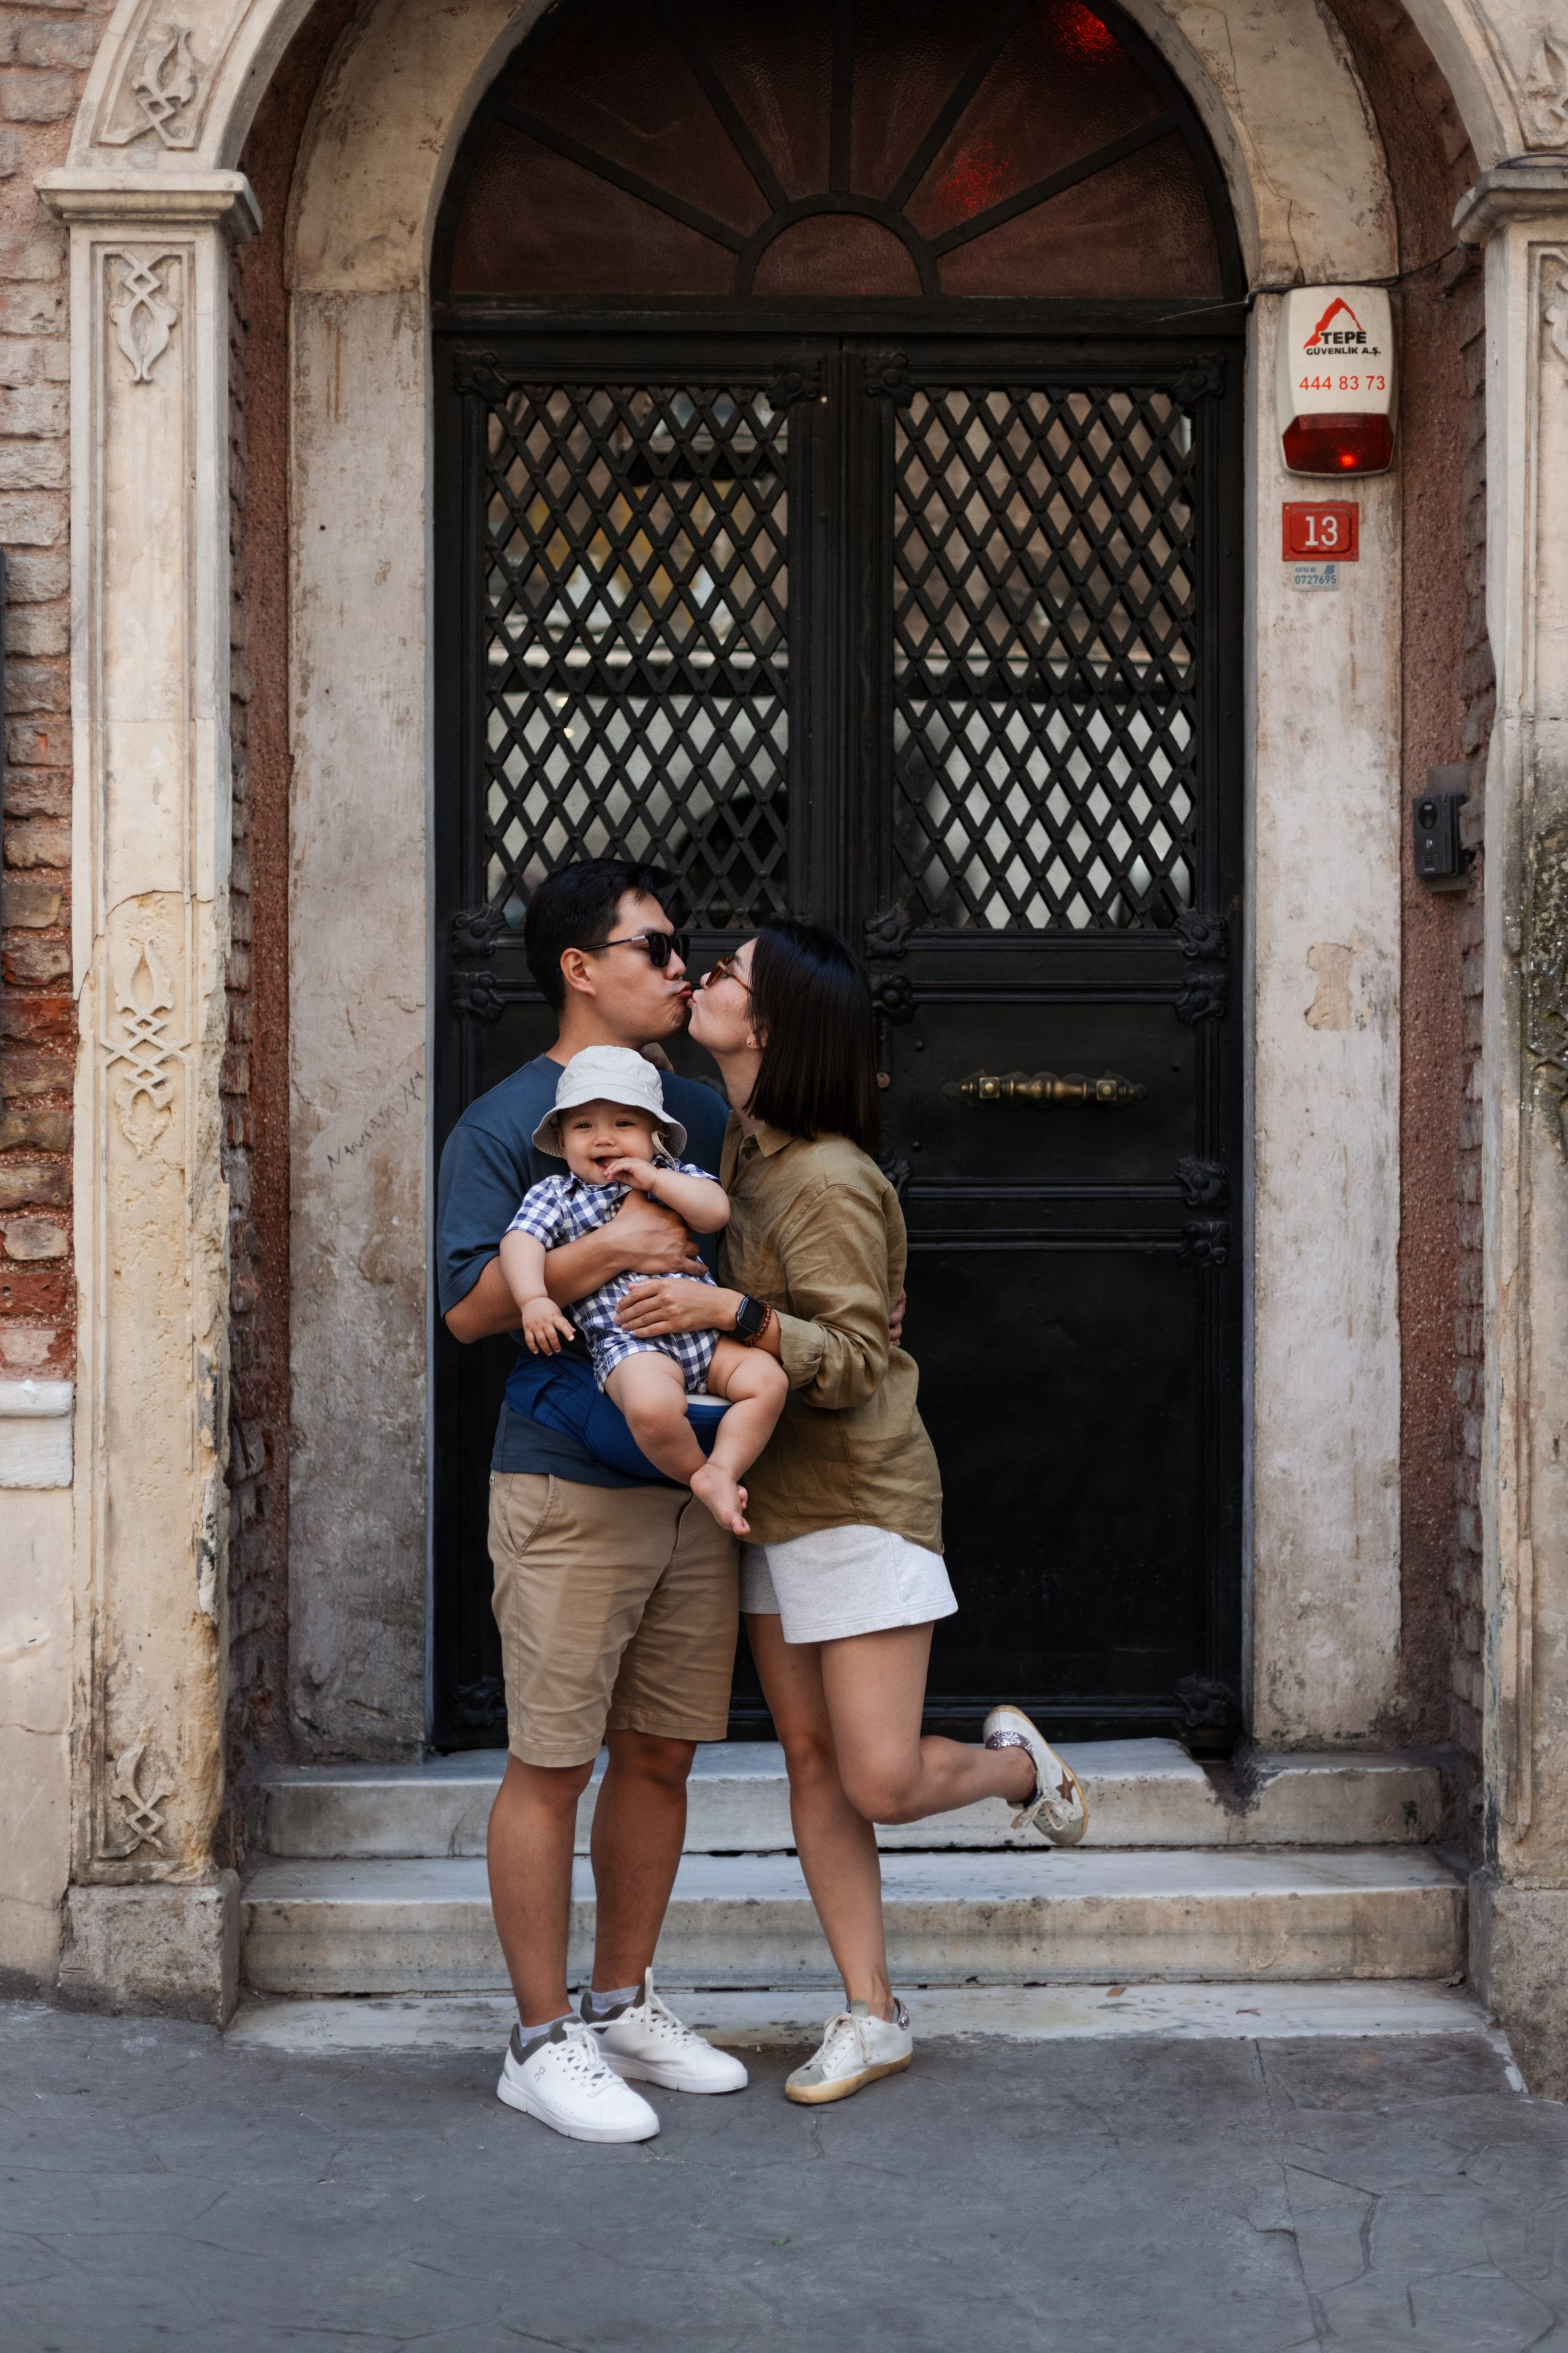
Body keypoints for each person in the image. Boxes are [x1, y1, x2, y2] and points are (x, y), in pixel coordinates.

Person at [613, 917, 1090, 2108]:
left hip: (860, 1506)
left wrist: (727, 1319)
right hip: (776, 1507)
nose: (704, 978)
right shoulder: (736, 1153)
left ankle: (1012, 1771)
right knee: (815, 1768)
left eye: (724, 974)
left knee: (875, 1778)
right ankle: (871, 2013)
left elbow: (855, 1361)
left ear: (771, 1025)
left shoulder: (823, 1174)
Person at [438, 860, 771, 2145]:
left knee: (664, 1750)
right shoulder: (507, 1122)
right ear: (582, 967)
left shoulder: (690, 1105)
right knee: (551, 1759)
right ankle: (537, 2040)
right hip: (565, 1485)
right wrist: (603, 1252)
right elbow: (469, 1307)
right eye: (655, 946)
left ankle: (622, 2001)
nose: (679, 965)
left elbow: (744, 1239)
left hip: (688, 1473)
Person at [499, 1044, 788, 1533]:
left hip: (704, 1336)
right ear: (562, 1138)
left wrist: (656, 1177)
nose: (604, 1138)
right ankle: (697, 1473)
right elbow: (520, 1240)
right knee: (652, 1408)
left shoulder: (671, 1178)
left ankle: (724, 1466)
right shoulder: (557, 1195)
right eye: (584, 1126)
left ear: (656, 1136)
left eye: (623, 1124)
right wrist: (533, 1298)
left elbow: (715, 1211)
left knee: (768, 1381)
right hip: (631, 1342)